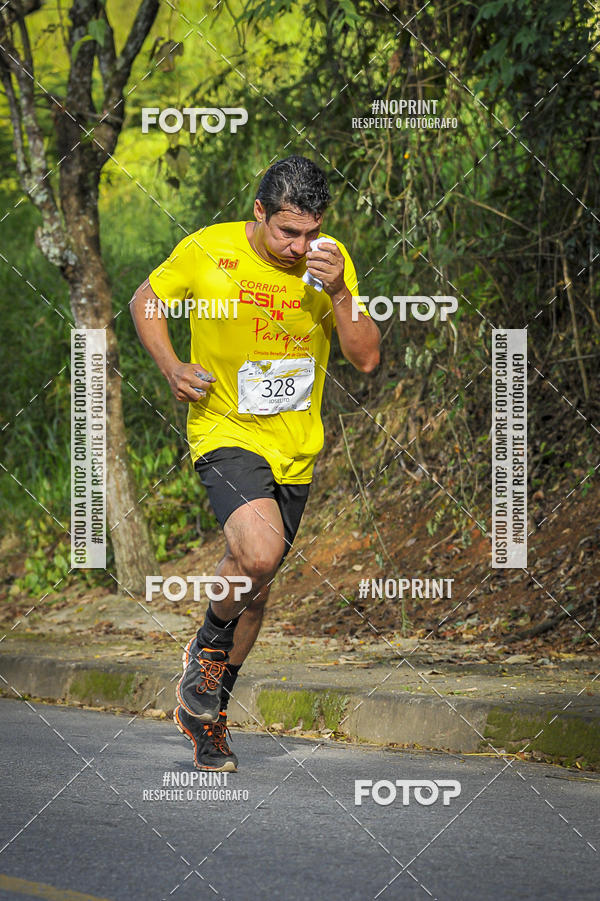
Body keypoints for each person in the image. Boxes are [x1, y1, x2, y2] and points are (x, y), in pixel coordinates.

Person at [130, 155, 380, 771]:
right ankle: (206, 651)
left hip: (294, 447)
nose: (300, 246)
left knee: (254, 579)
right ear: (259, 211)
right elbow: (146, 300)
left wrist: (342, 290)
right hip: (224, 429)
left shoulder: (329, 263)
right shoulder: (207, 250)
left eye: (311, 231)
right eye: (287, 232)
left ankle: (206, 711)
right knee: (261, 551)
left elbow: (367, 357)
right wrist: (170, 368)